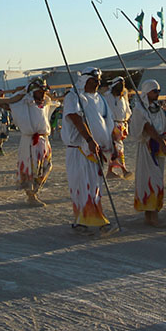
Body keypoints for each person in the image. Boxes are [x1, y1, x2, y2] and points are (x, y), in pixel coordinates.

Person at [62, 68, 114, 235]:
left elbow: (107, 122)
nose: (98, 83)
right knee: (82, 185)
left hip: (96, 150)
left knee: (95, 186)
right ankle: (87, 221)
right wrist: (89, 139)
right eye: (94, 80)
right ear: (85, 81)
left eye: (99, 80)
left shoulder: (100, 99)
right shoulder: (74, 97)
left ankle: (92, 218)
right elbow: (75, 117)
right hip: (79, 149)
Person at [0, 78, 59, 206]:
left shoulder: (46, 103)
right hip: (30, 140)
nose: (43, 94)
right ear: (33, 92)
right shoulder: (24, 102)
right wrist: (2, 97)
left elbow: (55, 99)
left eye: (44, 91)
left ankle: (34, 192)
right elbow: (9, 105)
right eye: (40, 91)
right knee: (31, 169)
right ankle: (31, 196)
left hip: (44, 139)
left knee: (47, 167)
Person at [129, 78, 166, 227]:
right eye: (155, 91)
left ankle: (153, 214)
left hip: (159, 147)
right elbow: (147, 128)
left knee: (158, 179)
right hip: (148, 147)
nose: (157, 94)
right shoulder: (140, 110)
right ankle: (151, 215)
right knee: (150, 180)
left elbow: (164, 130)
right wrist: (161, 142)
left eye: (159, 91)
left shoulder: (159, 109)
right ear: (147, 92)